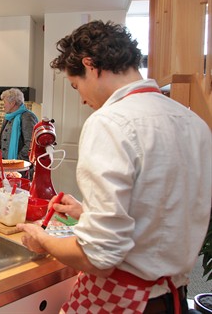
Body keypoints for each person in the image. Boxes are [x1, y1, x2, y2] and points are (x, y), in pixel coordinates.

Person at [17, 20, 212, 313]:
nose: (82, 98)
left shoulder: (110, 122)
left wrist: (42, 240)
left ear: (90, 66)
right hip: (173, 299)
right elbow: (161, 211)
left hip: (125, 300)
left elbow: (98, 256)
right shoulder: (194, 122)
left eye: (76, 84)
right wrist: (88, 213)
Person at [0, 88, 38, 161]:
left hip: (19, 165)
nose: (3, 105)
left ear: (12, 103)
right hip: (5, 164)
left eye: (5, 102)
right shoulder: (8, 116)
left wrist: (19, 159)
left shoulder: (27, 116)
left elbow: (31, 143)